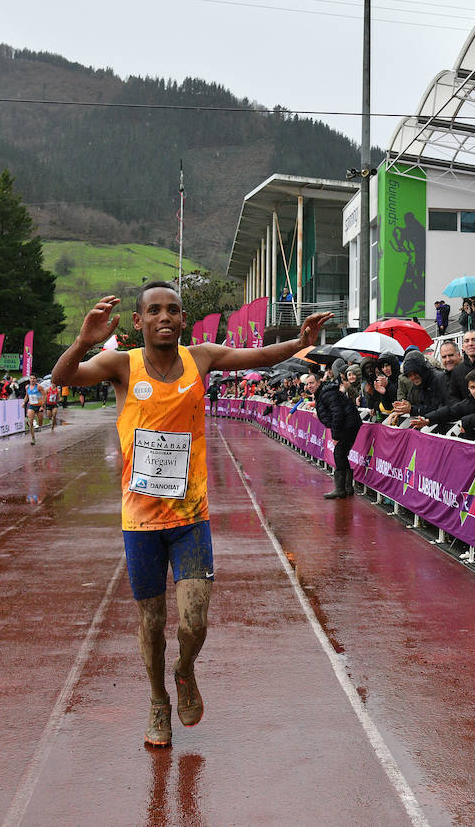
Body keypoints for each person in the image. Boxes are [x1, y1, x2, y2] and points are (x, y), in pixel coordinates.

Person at [50, 282, 331, 747]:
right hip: (140, 522)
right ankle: (158, 699)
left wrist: (300, 343)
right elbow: (62, 379)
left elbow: (258, 358)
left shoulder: (200, 357)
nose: (165, 317)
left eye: (174, 310)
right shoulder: (121, 364)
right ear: (138, 322)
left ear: (183, 320)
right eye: (154, 310)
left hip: (190, 516)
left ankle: (183, 671)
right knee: (152, 622)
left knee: (194, 622)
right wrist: (83, 341)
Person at [306, 371, 361, 499]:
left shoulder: (327, 393)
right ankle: (347, 488)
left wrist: (335, 436)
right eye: (307, 384)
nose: (309, 386)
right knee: (341, 453)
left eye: (312, 383)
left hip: (348, 424)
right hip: (349, 423)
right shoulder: (322, 393)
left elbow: (338, 414)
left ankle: (341, 489)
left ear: (319, 382)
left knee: (339, 453)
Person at [23, 377, 45, 444]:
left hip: (39, 406)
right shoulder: (27, 387)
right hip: (31, 405)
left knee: (40, 422)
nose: (32, 380)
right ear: (30, 379)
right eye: (31, 378)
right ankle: (33, 439)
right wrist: (24, 402)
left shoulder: (39, 387)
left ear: (36, 380)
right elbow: (27, 396)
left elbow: (44, 395)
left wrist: (42, 406)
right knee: (30, 421)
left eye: (34, 378)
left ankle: (39, 426)